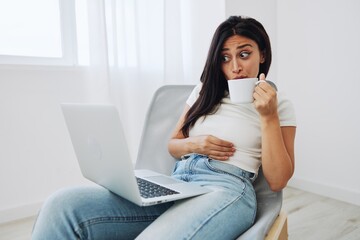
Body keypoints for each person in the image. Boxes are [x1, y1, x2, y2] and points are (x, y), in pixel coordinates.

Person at [32, 16, 296, 240]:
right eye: (225, 58)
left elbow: (278, 180)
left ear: (262, 54)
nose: (235, 67)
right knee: (61, 206)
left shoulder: (278, 103)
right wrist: (196, 144)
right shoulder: (204, 91)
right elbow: (174, 144)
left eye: (244, 54)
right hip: (178, 184)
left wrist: (268, 116)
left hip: (226, 189)